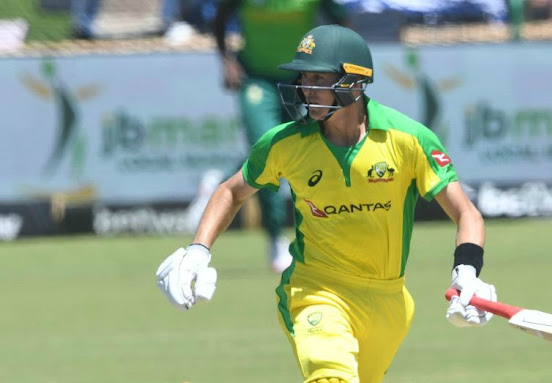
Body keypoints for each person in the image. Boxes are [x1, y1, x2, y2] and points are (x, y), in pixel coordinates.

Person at [156, 25, 497, 383]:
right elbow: (231, 191)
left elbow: (466, 213)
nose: (305, 87)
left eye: (319, 77)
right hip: (315, 292)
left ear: (354, 82)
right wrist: (198, 251)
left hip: (389, 302)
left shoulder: (409, 139)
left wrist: (468, 272)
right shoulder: (285, 143)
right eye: (304, 77)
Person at [203, 0, 350, 273]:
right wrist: (227, 61)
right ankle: (275, 239)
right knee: (268, 148)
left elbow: (343, 24)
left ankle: (222, 181)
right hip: (258, 80)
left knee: (313, 151)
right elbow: (220, 18)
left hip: (305, 80)